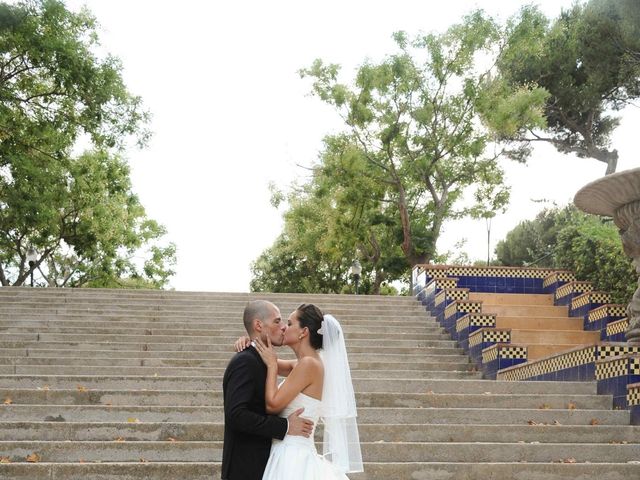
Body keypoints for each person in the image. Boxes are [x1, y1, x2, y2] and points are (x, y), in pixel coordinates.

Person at [236, 303, 364, 479]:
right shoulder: (304, 363)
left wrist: (272, 365)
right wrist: (249, 341)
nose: (283, 328)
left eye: (289, 324)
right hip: (288, 449)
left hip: (293, 457)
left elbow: (272, 405)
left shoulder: (309, 365)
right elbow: (264, 357)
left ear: (303, 332)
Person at [221, 300, 315, 480]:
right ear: (258, 325)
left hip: (268, 464)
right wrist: (286, 426)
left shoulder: (264, 360)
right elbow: (236, 415)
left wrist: (255, 343)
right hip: (245, 468)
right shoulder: (245, 361)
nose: (283, 328)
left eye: (286, 323)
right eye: (277, 321)